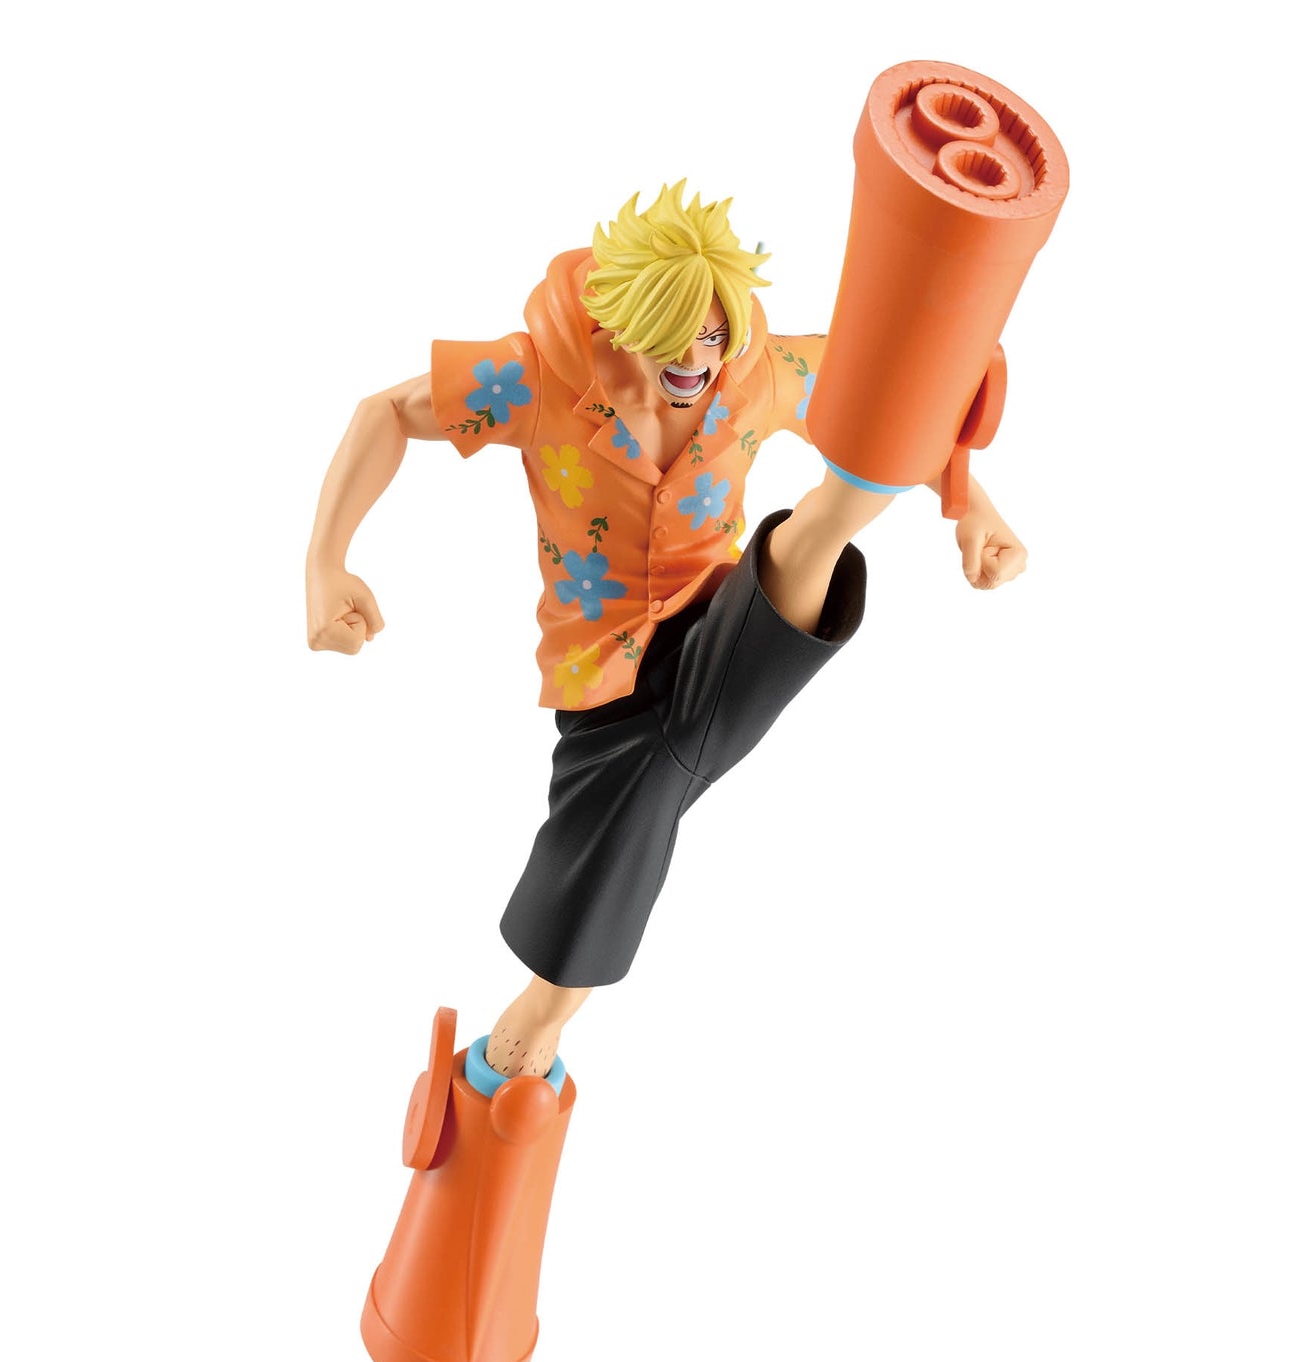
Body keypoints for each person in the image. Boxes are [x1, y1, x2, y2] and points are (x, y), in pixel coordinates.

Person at [306, 181, 1026, 1093]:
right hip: (601, 675)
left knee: (800, 553)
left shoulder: (759, 377)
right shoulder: (542, 377)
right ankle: (528, 1040)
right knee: (637, 800)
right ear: (624, 324)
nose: (696, 357)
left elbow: (884, 402)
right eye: (674, 335)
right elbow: (387, 412)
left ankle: (837, 513)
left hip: (722, 621)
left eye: (713, 334)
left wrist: (970, 504)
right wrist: (325, 561)